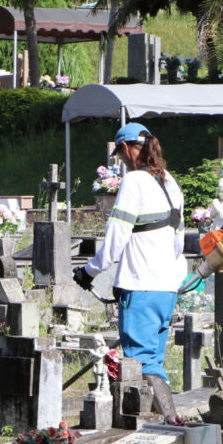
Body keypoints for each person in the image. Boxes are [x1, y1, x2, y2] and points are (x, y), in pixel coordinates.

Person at [72, 122, 182, 416]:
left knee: (140, 363)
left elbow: (116, 238)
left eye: (120, 158)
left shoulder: (134, 182)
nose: (121, 164)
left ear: (124, 149)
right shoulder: (170, 182)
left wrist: (90, 272)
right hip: (167, 288)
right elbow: (178, 243)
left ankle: (170, 423)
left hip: (140, 286)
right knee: (154, 362)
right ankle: (167, 423)